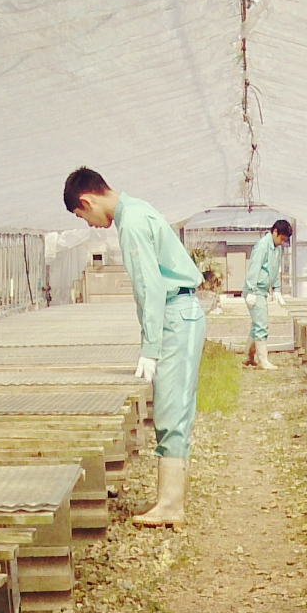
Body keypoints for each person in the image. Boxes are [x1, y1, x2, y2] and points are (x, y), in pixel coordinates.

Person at [64, 167, 205, 528]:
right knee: (171, 407)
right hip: (176, 316)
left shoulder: (132, 223)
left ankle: (172, 505)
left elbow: (151, 287)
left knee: (172, 409)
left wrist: (150, 348)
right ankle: (169, 500)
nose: (91, 224)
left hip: (176, 316)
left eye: (84, 216)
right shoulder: (137, 211)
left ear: (87, 200)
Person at [243, 219, 291, 370]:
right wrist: (250, 291)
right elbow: (254, 268)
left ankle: (248, 357)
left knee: (257, 324)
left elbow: (275, 269)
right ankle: (263, 360)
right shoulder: (262, 246)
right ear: (275, 232)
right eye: (282, 239)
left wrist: (276, 289)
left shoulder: (277, 248)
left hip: (263, 290)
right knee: (262, 324)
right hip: (255, 290)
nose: (283, 242)